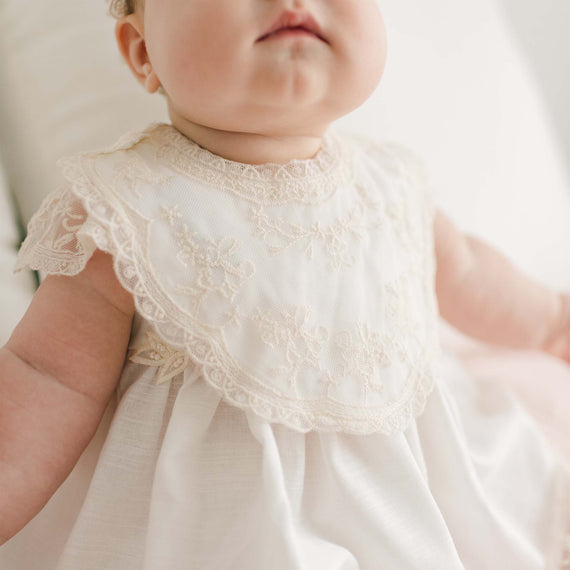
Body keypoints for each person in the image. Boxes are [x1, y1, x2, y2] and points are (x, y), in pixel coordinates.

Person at [1, 0, 569, 567]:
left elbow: (467, 273)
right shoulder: (130, 213)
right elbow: (46, 376)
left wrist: (552, 321)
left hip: (412, 508)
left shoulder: (389, 187)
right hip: (220, 537)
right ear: (144, 52)